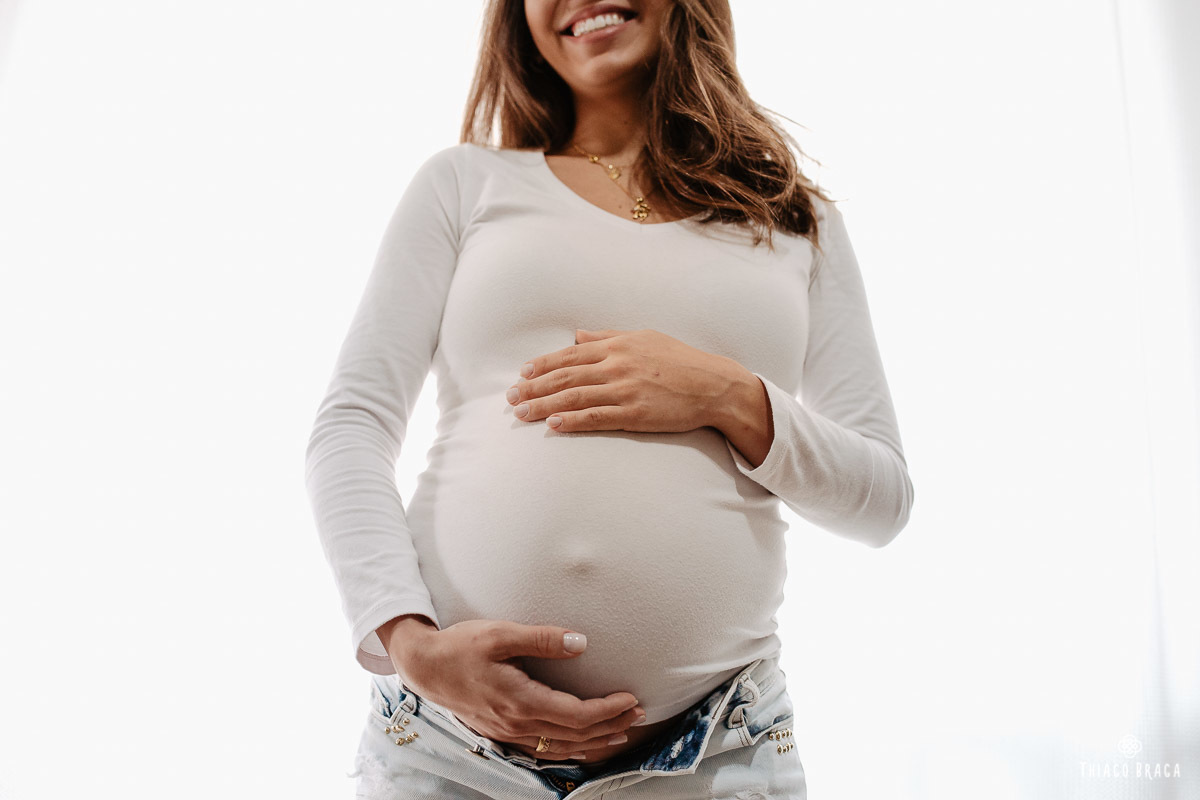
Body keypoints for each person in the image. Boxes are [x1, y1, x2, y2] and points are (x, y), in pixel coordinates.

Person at [304, 0, 914, 797]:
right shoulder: (463, 185)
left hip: (715, 751)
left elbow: (882, 501)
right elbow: (350, 427)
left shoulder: (795, 222)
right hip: (449, 748)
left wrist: (728, 394)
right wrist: (410, 646)